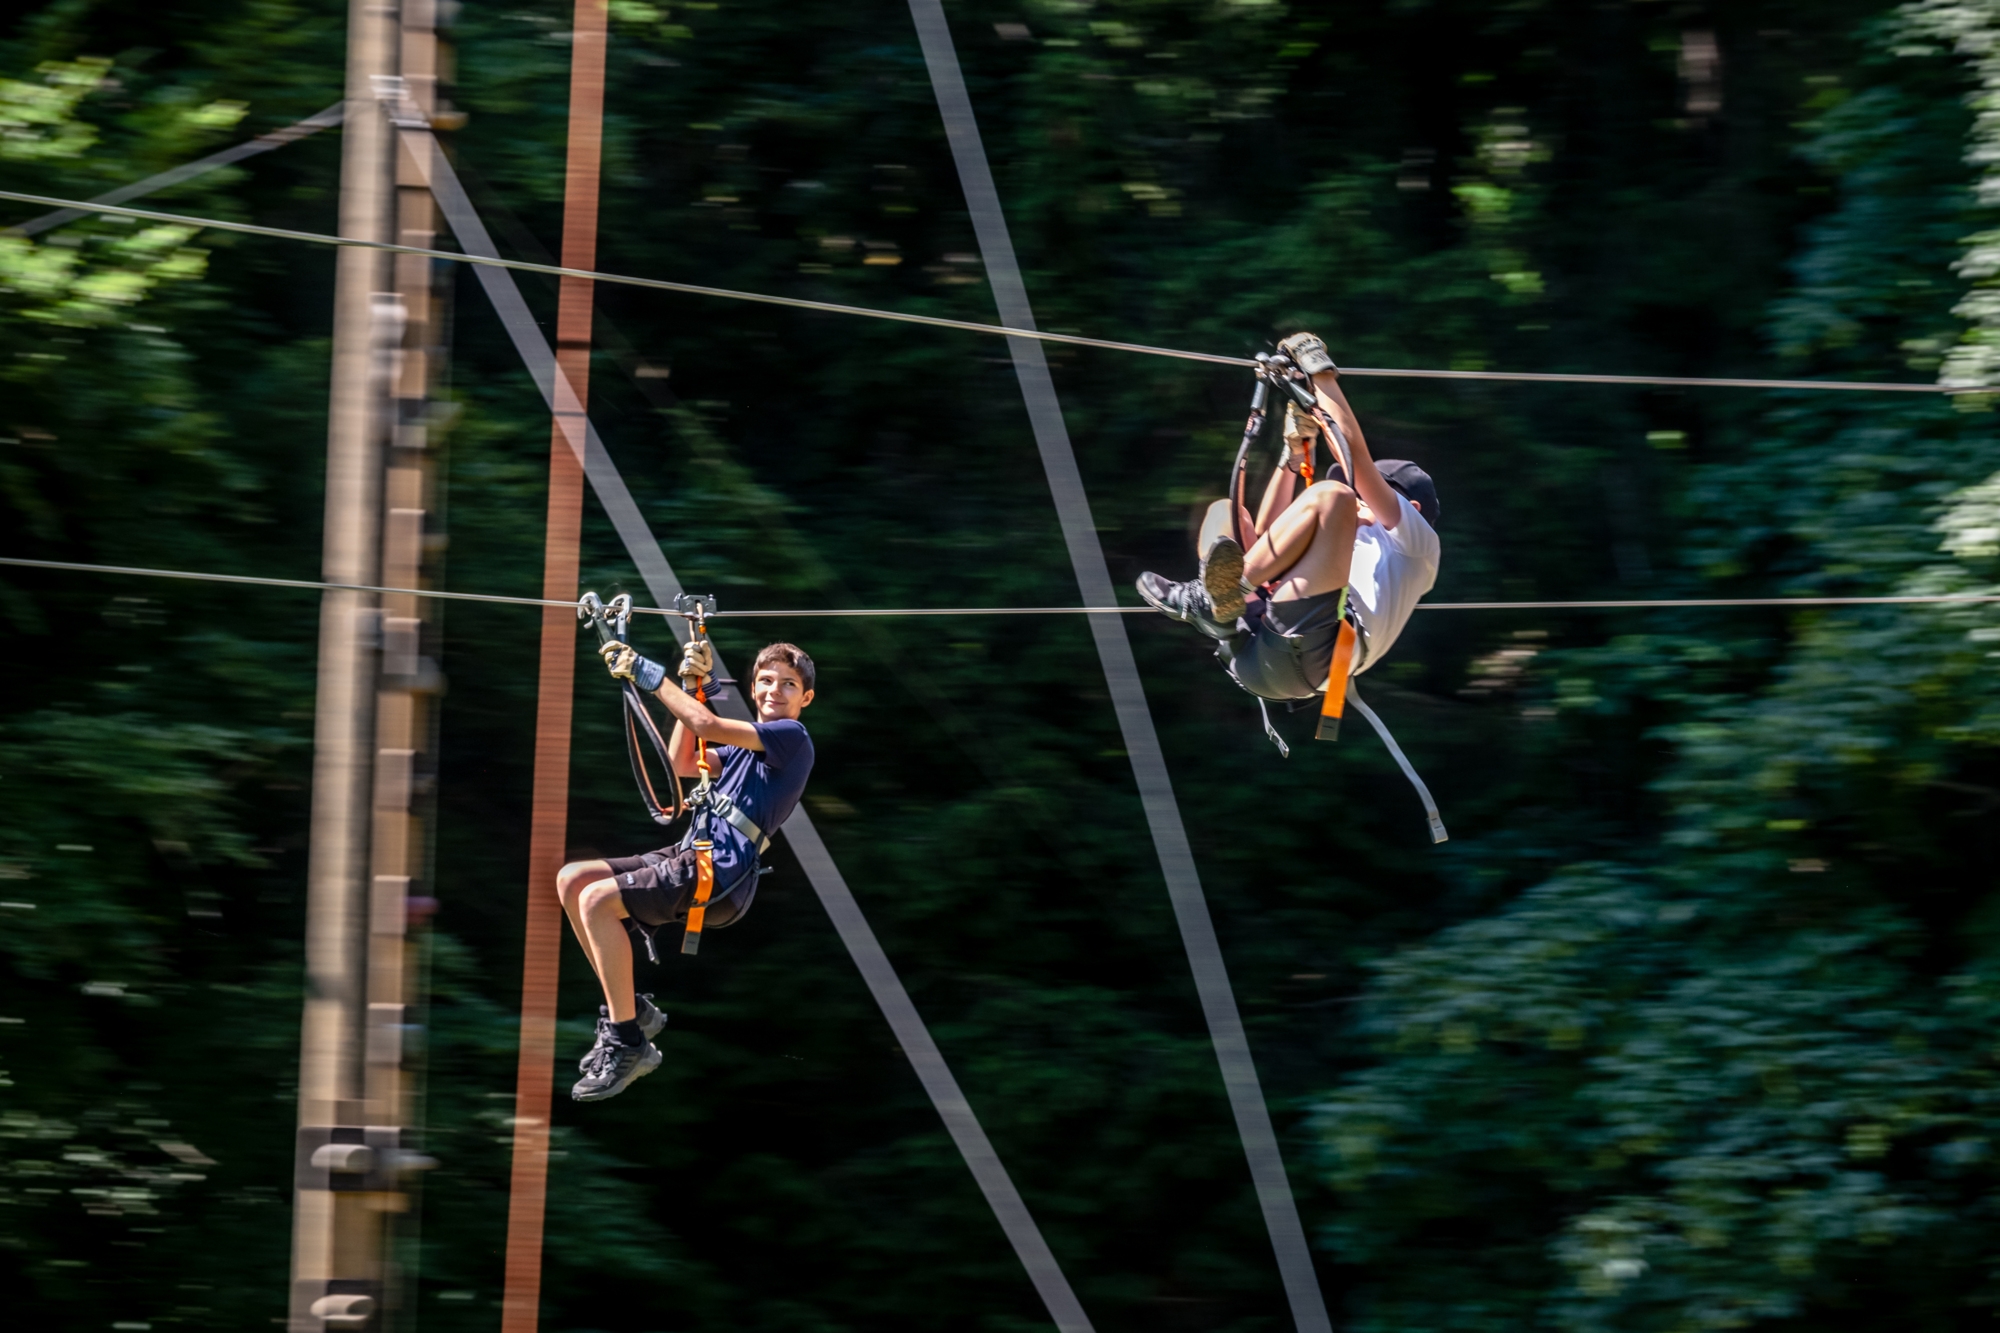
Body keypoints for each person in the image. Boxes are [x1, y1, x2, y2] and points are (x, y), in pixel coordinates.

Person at [555, 636, 817, 1102]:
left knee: (596, 901)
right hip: (692, 856)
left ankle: (626, 1041)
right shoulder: (744, 750)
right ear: (754, 686)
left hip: (721, 872)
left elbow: (705, 724)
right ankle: (628, 1011)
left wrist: (649, 675)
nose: (775, 691)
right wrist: (692, 685)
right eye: (766, 680)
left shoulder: (792, 739)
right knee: (573, 879)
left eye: (789, 684)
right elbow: (682, 759)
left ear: (806, 698)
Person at [1137, 331, 1441, 714]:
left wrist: (1320, 372)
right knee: (1225, 511)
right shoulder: (1353, 539)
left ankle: (1211, 600)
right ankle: (1217, 604)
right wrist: (1291, 455)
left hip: (1307, 657)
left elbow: (1356, 460)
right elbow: (1266, 542)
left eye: (1372, 493)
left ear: (1409, 506)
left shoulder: (1419, 546)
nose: (1360, 497)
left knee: (1332, 496)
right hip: (1254, 652)